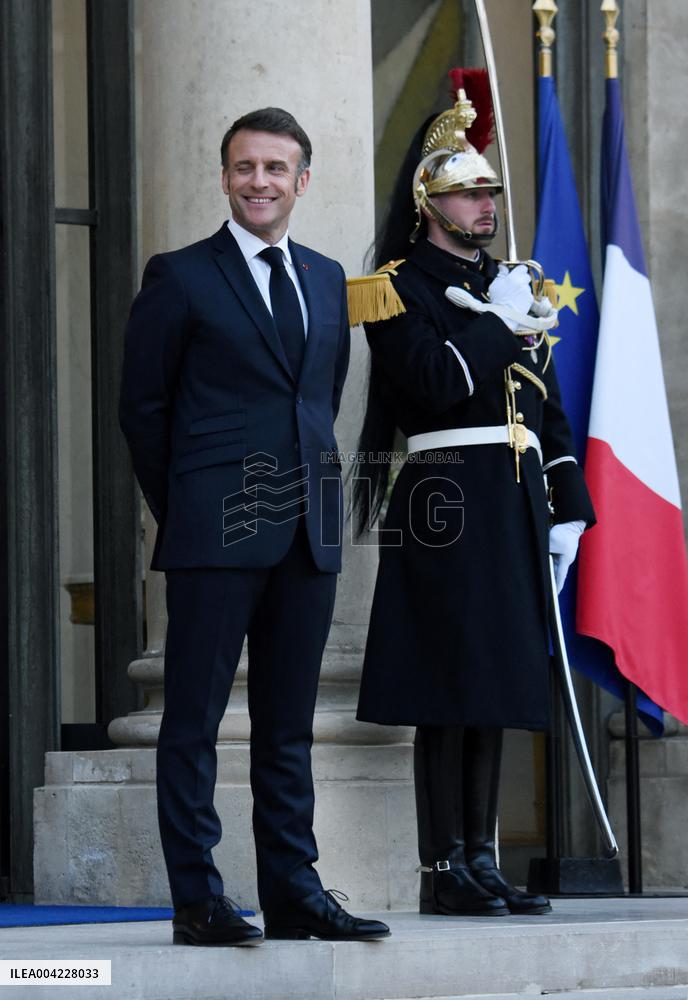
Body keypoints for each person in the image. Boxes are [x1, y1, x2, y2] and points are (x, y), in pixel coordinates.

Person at [120, 107, 389, 945]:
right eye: (245, 167)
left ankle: (294, 891)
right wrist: (193, 507)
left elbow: (322, 398)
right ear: (226, 176)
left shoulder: (323, 276)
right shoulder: (180, 275)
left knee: (287, 725)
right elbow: (143, 410)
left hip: (308, 529)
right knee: (194, 721)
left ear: (301, 181)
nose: (260, 182)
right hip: (214, 528)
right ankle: (198, 899)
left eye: (276, 168)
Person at [352, 76, 595, 917]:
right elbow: (433, 384)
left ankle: (483, 859)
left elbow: (545, 403)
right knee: (445, 687)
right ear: (428, 200)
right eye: (465, 191)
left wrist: (569, 510)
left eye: (488, 190)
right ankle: (441, 869)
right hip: (444, 498)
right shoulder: (394, 286)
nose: (483, 204)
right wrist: (494, 322)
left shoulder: (511, 282)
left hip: (513, 497)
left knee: (491, 683)